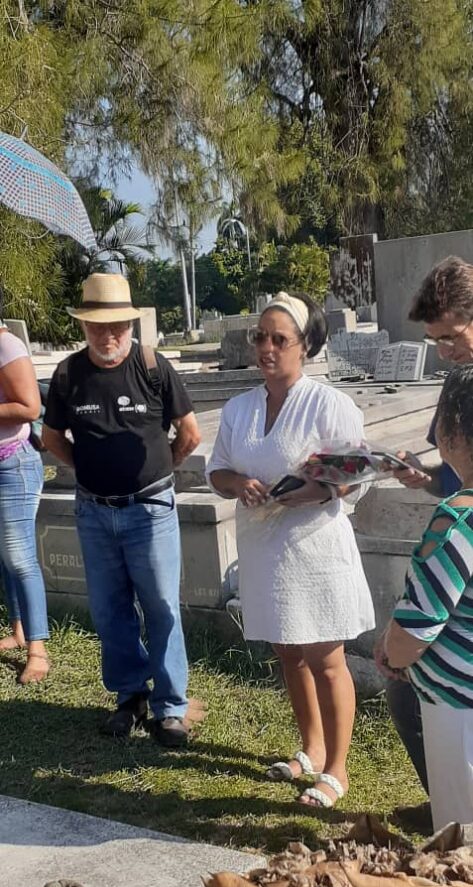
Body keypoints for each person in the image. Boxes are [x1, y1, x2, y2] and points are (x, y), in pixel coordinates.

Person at [207, 291, 375, 810]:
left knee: (326, 658)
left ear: (305, 346)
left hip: (313, 547)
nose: (266, 347)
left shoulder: (328, 404)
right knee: (288, 653)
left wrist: (321, 490)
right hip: (264, 548)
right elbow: (215, 471)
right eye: (261, 337)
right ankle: (311, 746)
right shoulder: (239, 408)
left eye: (279, 339)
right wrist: (238, 483)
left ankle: (337, 769)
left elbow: (358, 471)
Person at [43, 273, 201, 745]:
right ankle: (129, 695)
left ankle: (171, 707)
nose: (108, 336)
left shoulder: (153, 366)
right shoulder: (69, 375)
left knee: (161, 607)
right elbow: (53, 440)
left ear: (130, 324)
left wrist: (156, 473)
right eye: (98, 327)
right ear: (85, 327)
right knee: (110, 611)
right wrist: (91, 474)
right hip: (94, 513)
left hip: (149, 511)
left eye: (117, 326)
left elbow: (189, 432)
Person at [378, 256, 473, 794]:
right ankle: (446, 796)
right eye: (436, 341)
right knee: (406, 687)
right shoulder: (458, 385)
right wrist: (425, 478)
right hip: (459, 561)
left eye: (451, 336)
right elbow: (457, 471)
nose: (446, 351)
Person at [0, 305, 50, 683]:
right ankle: (18, 630)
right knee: (4, 556)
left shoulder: (7, 346)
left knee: (20, 557)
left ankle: (38, 649)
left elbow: (30, 407)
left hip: (13, 464)